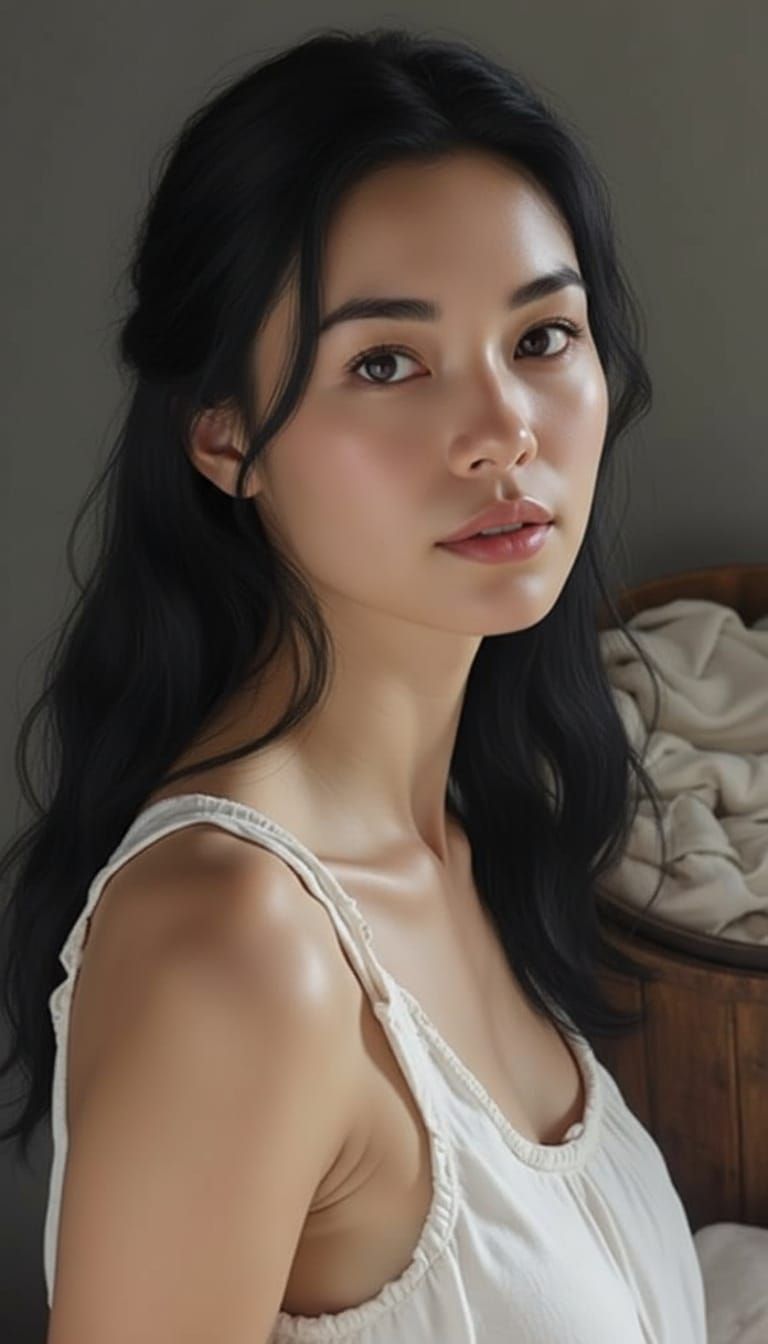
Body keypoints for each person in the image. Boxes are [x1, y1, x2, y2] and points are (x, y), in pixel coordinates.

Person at [0, 26, 708, 1342]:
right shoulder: (236, 950)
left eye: (544, 335)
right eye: (388, 362)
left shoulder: (461, 836)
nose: (503, 431)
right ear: (225, 436)